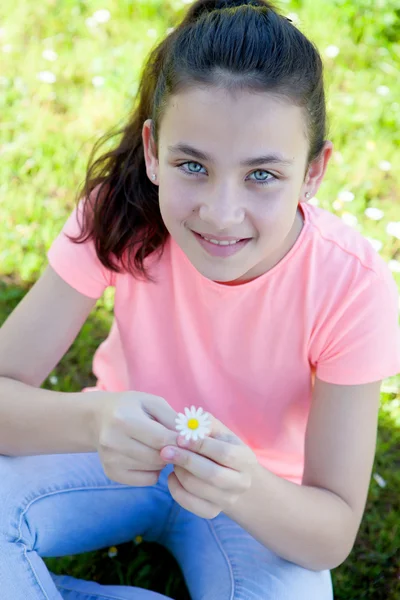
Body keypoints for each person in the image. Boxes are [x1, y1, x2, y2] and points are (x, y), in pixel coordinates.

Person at [0, 0, 399, 598]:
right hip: (112, 454)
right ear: (154, 150)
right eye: (193, 165)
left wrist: (244, 486)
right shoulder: (122, 214)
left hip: (259, 501)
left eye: (262, 175)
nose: (220, 213)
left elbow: (330, 531)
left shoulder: (351, 285)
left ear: (314, 173)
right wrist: (95, 418)